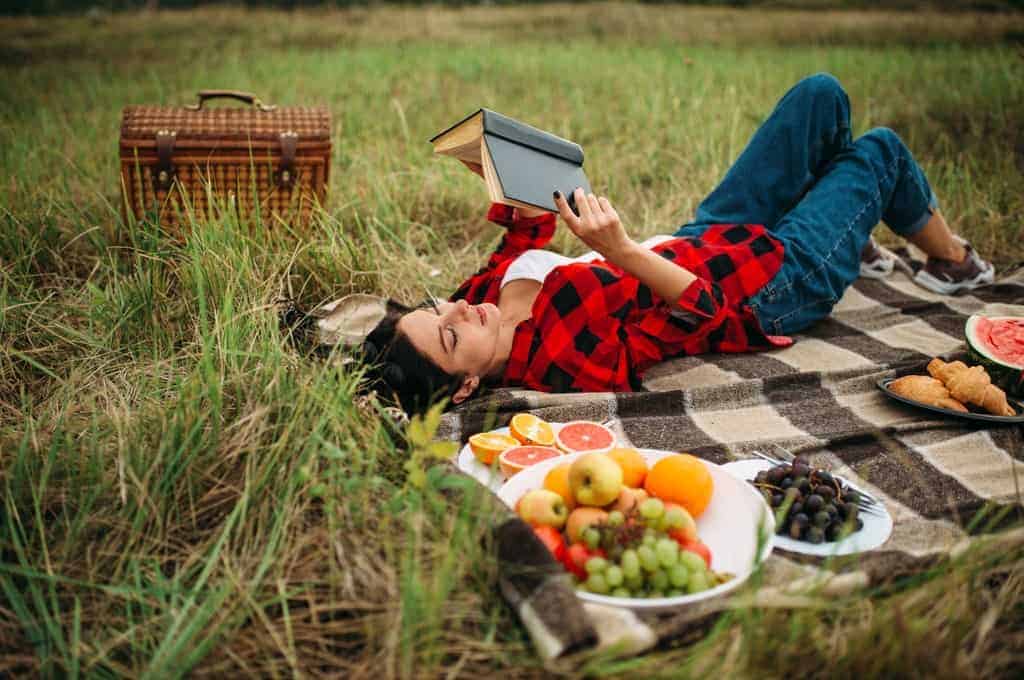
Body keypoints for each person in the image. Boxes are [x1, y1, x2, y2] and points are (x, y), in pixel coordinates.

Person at [360, 73, 995, 415]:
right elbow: (704, 311)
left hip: (705, 236)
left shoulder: (476, 303)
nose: (456, 311)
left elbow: (529, 237)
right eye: (450, 335)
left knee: (820, 96)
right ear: (467, 385)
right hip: (770, 286)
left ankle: (850, 236)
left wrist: (497, 175)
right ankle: (951, 263)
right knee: (879, 151)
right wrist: (622, 250)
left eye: (435, 309)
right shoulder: (556, 360)